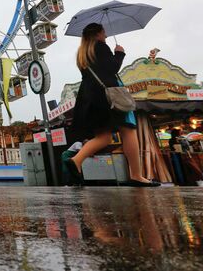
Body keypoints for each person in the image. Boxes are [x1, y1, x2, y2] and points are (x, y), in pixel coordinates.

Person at [66, 23, 160, 187]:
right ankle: (137, 175)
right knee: (129, 130)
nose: (106, 36)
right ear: (97, 34)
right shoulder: (101, 47)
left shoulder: (82, 54)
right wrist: (119, 53)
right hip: (108, 97)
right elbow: (111, 68)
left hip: (90, 98)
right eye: (104, 33)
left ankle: (76, 160)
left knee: (103, 137)